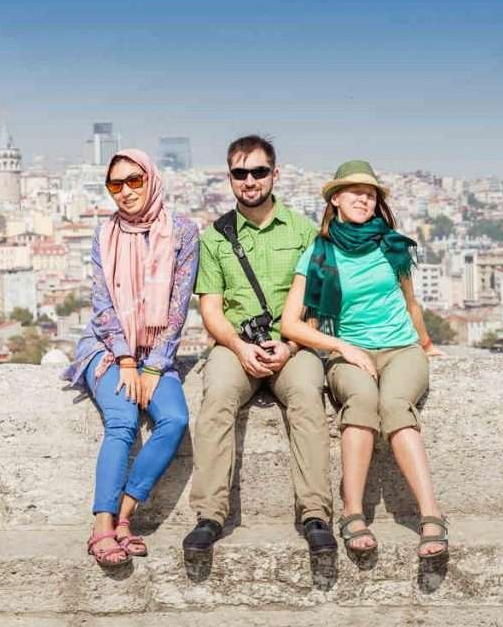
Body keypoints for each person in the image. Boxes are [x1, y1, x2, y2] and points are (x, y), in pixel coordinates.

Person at [281, 160, 448, 559]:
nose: (363, 198)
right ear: (335, 199)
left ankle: (431, 513)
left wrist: (426, 344)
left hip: (401, 349)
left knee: (393, 404)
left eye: (370, 193)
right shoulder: (318, 254)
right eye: (354, 191)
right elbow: (291, 323)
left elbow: (410, 303)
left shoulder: (391, 245)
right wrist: (342, 347)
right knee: (361, 401)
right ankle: (352, 511)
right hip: (349, 352)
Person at [183, 135, 336, 555]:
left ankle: (316, 513)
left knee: (307, 396)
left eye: (258, 172)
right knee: (216, 400)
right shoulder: (215, 238)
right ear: (229, 178)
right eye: (240, 173)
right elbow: (211, 309)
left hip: (293, 344)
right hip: (237, 346)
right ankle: (209, 515)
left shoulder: (305, 232)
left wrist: (288, 346)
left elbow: (317, 303)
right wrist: (238, 346)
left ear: (275, 174)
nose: (249, 181)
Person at [63, 149, 199, 567]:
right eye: (115, 185)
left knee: (174, 419)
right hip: (107, 348)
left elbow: (177, 309)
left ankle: (126, 513)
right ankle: (102, 525)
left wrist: (154, 366)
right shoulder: (103, 234)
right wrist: (125, 359)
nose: (125, 192)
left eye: (134, 181)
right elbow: (101, 304)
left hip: (157, 352)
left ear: (151, 179)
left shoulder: (183, 231)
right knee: (122, 420)